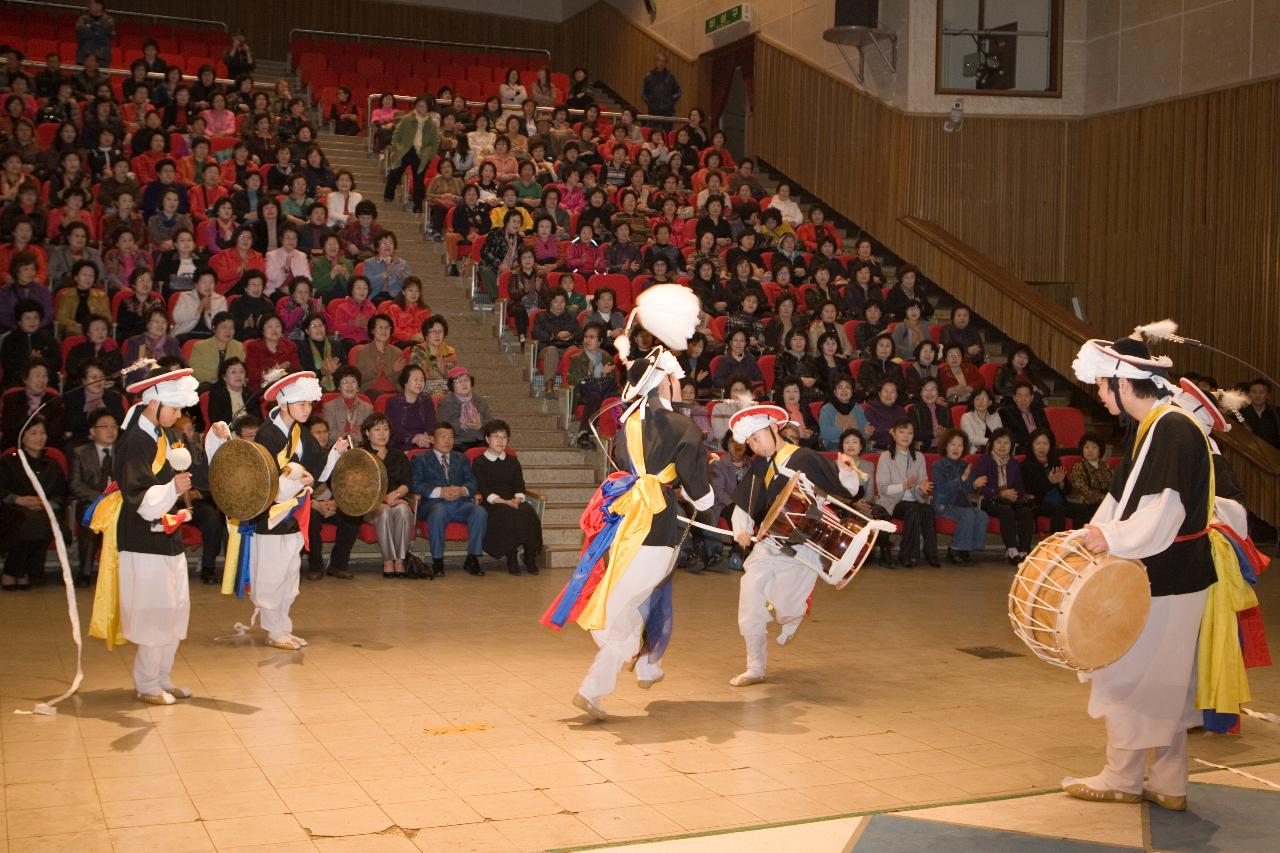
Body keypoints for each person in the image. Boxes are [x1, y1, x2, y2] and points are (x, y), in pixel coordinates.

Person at [1062, 331, 1246, 812]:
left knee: (1130, 673)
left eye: (1103, 386)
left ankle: (1121, 776)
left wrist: (1112, 539)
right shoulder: (1157, 427)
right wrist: (1091, 534)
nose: (1100, 395)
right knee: (1164, 680)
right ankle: (1169, 782)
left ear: (1125, 382)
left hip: (1166, 573)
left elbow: (1163, 509)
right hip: (1174, 573)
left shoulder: (1171, 428)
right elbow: (1122, 499)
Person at [726, 403, 883, 686]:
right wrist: (741, 530)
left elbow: (846, 489)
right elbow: (745, 505)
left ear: (773, 428)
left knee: (786, 605)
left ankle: (792, 616)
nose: (754, 446)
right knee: (749, 594)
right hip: (770, 541)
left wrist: (846, 469)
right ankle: (755, 667)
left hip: (804, 544)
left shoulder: (805, 457)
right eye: (749, 442)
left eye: (756, 438)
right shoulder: (760, 465)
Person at [207, 370, 351, 651]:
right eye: (302, 404)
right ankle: (274, 630)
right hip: (269, 515)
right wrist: (298, 480)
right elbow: (264, 477)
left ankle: (283, 627)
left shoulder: (301, 434)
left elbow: (317, 470)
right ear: (284, 404)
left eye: (310, 404)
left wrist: (334, 453)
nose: (307, 409)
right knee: (272, 574)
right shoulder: (267, 433)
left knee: (289, 573)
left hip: (292, 515)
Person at [87, 368, 199, 705]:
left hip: (168, 533)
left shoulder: (163, 436)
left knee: (175, 608)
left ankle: (163, 676)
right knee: (155, 610)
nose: (179, 415)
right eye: (175, 407)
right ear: (154, 402)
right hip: (142, 535)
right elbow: (139, 497)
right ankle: (147, 682)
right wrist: (172, 488)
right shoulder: (135, 439)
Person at [411, 421, 487, 576]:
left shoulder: (461, 458)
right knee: (439, 511)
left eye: (451, 437)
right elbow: (415, 484)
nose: (448, 441)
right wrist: (440, 492)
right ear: (432, 439)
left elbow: (472, 482)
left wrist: (462, 490)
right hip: (433, 504)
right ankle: (438, 561)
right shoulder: (420, 459)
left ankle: (472, 559)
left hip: (460, 503)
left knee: (480, 511)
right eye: (443, 436)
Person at [0, 416, 66, 591]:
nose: (39, 437)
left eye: (42, 432)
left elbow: (62, 493)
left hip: (45, 511)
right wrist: (19, 499)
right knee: (29, 521)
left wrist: (46, 504)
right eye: (33, 433)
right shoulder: (8, 462)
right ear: (22, 437)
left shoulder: (52, 464)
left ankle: (14, 572)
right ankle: (26, 572)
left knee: (36, 521)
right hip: (12, 511)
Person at [472, 419, 543, 575]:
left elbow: (519, 484)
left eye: (504, 437)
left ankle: (530, 557)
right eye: (496, 436)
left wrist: (517, 499)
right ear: (487, 439)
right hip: (492, 502)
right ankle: (511, 558)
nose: (500, 441)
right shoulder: (479, 462)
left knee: (528, 512)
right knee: (507, 514)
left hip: (513, 499)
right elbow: (483, 489)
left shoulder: (512, 460)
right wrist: (503, 501)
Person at [875, 419, 940, 567]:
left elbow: (920, 485)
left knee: (928, 510)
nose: (906, 436)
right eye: (902, 432)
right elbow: (883, 489)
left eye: (910, 433)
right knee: (913, 510)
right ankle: (907, 555)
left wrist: (921, 488)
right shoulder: (886, 456)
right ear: (894, 434)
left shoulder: (919, 457)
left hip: (914, 500)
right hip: (892, 502)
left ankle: (931, 554)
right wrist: (904, 485)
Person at [359, 412, 416, 578]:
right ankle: (388, 560)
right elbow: (358, 489)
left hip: (397, 500)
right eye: (377, 429)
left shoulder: (398, 455)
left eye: (386, 429)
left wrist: (396, 495)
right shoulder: (360, 456)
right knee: (383, 511)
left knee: (404, 511)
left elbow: (407, 483)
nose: (382, 433)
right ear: (367, 433)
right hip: (370, 506)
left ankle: (400, 560)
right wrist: (383, 499)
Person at [69, 406, 117, 587]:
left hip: (120, 502)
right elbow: (75, 485)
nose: (111, 430)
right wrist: (101, 498)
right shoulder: (80, 452)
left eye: (114, 426)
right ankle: (85, 572)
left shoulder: (125, 451)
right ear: (92, 431)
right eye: (105, 427)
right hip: (92, 503)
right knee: (91, 523)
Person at [972, 428, 1035, 563]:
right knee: (1006, 511)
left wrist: (1015, 495)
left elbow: (1020, 488)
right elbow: (981, 488)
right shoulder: (984, 460)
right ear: (992, 444)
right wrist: (1000, 493)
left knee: (1026, 512)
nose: (1002, 446)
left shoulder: (1014, 463)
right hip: (989, 500)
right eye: (998, 442)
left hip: (1009, 500)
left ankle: (1024, 550)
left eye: (1006, 443)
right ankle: (1012, 550)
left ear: (1011, 446)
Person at [931, 430, 990, 564]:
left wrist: (974, 485)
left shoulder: (965, 465)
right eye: (953, 444)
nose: (956, 448)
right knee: (968, 514)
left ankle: (966, 549)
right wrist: (962, 479)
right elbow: (942, 488)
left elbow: (968, 489)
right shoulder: (938, 465)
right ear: (946, 446)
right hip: (944, 505)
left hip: (963, 504)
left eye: (960, 445)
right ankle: (954, 549)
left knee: (982, 516)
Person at [567, 322, 619, 449]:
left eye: (592, 337)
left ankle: (585, 434)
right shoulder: (576, 358)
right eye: (586, 337)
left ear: (600, 341)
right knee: (594, 395)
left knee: (603, 394)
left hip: (602, 392)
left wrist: (603, 375)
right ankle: (586, 433)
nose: (587, 340)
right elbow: (572, 380)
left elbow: (612, 382)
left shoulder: (607, 358)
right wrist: (590, 374)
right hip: (583, 392)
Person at [384, 96, 439, 214]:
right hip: (405, 150)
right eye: (418, 105)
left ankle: (418, 206)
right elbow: (396, 134)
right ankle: (388, 196)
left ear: (428, 108)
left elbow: (435, 143)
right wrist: (395, 148)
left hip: (421, 154)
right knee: (394, 172)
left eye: (423, 106)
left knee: (419, 181)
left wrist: (429, 156)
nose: (420, 108)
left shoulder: (432, 124)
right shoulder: (407, 119)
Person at [435, 366, 492, 450]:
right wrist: (462, 426)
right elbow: (441, 427)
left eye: (466, 380)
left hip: (481, 441)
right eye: (458, 381)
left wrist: (481, 425)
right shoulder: (445, 403)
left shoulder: (481, 401)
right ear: (452, 385)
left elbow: (492, 424)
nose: (464, 384)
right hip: (458, 443)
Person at [385, 364, 436, 453]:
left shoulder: (427, 401)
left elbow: (432, 425)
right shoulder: (393, 402)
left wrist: (427, 438)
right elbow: (395, 429)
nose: (419, 383)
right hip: (401, 445)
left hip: (425, 444)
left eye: (422, 380)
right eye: (415, 379)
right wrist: (414, 439)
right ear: (405, 382)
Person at [1067, 432, 1112, 523]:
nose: (1090, 451)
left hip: (1102, 501)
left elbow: (1111, 484)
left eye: (1094, 447)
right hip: (1085, 502)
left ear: (1100, 450)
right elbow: (1083, 490)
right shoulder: (1078, 467)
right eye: (1086, 447)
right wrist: (1104, 498)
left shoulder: (1105, 466)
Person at [1000, 381, 1050, 453]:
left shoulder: (1038, 411)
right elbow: (1011, 435)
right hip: (1023, 448)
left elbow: (1047, 430)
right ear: (1014, 398)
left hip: (1042, 446)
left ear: (1032, 397)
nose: (1023, 399)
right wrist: (1034, 442)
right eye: (1019, 396)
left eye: (1026, 396)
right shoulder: (1006, 413)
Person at [1241, 378, 1279, 448]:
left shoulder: (1276, 413)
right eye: (1254, 392)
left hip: (1273, 455)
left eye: (1261, 392)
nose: (1257, 395)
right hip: (1248, 454)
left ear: (1268, 395)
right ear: (1249, 394)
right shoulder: (1240, 413)